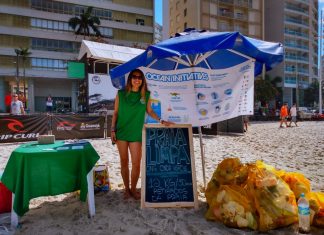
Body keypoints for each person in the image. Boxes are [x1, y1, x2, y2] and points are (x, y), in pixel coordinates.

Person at [111, 69, 173, 200]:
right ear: (130, 79)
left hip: (136, 134)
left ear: (142, 80)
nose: (137, 79)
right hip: (121, 132)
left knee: (136, 164)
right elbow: (115, 113)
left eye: (139, 77)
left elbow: (150, 111)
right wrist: (112, 130)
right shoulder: (121, 94)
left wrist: (161, 121)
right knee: (123, 162)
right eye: (134, 77)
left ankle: (133, 189)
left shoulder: (146, 95)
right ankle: (126, 189)